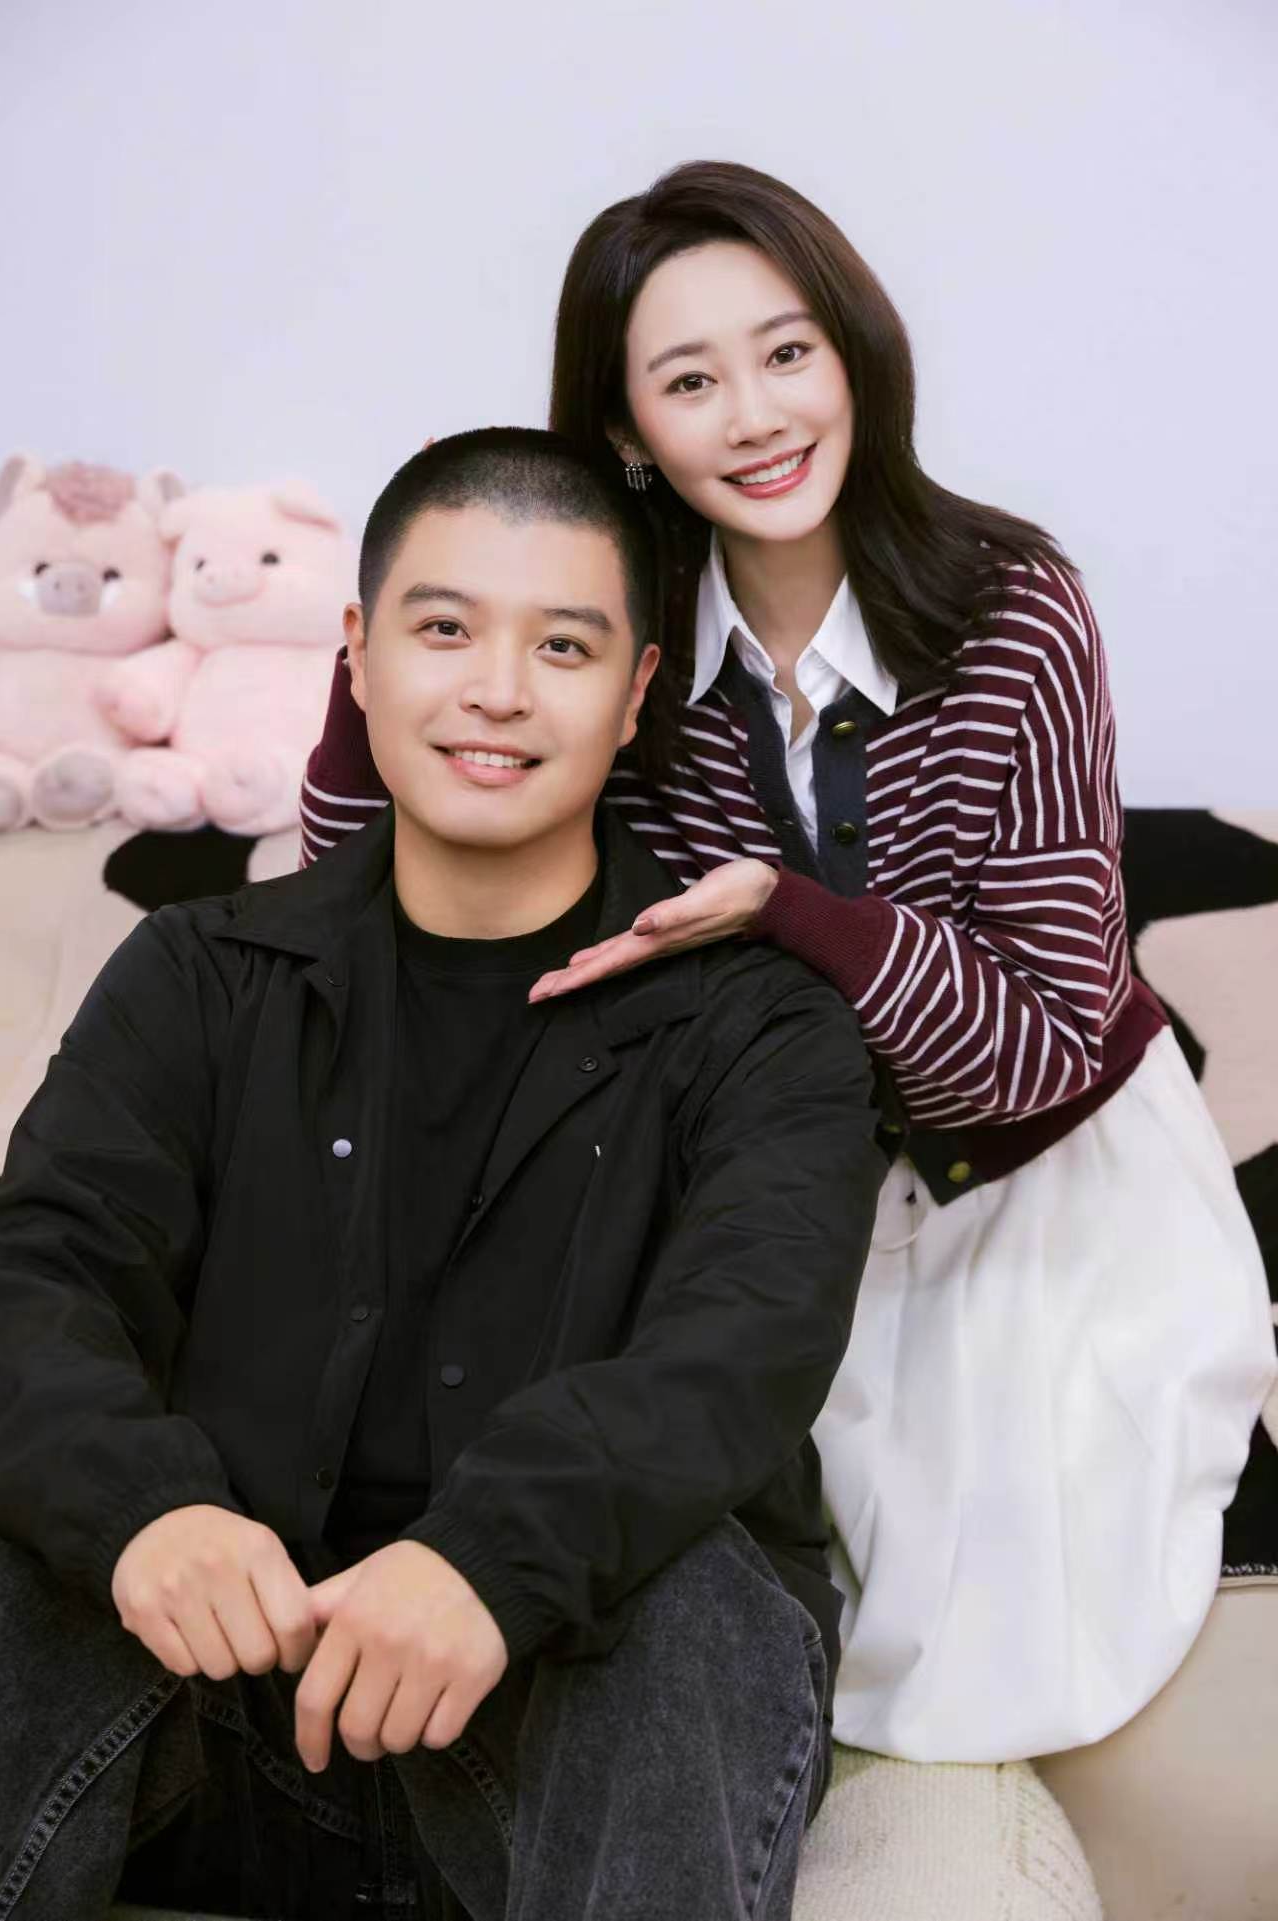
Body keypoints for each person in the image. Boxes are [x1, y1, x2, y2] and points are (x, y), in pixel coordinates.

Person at [300, 162, 1276, 1798]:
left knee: (1006, 1603)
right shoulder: (616, 637)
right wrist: (394, 655)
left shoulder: (1015, 608)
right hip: (761, 1198)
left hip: (1035, 1171)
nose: (756, 416)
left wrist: (794, 916)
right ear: (628, 427)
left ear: (853, 353)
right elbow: (361, 888)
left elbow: (1039, 1047)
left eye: (787, 353)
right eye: (689, 381)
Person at [0, 428, 888, 1920]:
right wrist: (147, 1511)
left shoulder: (763, 1024)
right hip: (221, 1699)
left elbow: (743, 1347)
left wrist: (484, 1560)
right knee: (32, 1533)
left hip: (553, 1710)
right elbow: (42, 1270)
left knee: (694, 1600)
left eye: (563, 646)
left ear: (635, 694)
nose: (498, 690)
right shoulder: (200, 974)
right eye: (446, 629)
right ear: (357, 655)